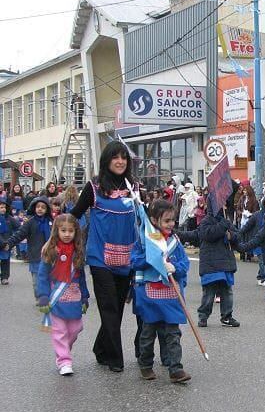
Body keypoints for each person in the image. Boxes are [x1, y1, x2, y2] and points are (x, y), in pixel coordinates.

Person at [69, 141, 138, 373]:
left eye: (124, 158)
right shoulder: (93, 187)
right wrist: (62, 239)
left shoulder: (134, 186)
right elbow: (74, 215)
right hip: (99, 257)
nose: (120, 161)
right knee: (108, 307)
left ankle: (101, 348)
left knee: (117, 308)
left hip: (126, 258)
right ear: (106, 160)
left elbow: (145, 220)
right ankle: (116, 359)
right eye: (115, 157)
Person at [131, 199, 191, 383]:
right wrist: (151, 259)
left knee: (173, 333)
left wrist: (175, 267)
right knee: (148, 333)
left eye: (172, 220)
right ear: (154, 221)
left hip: (171, 295)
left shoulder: (175, 241)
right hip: (150, 295)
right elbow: (134, 262)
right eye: (167, 221)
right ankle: (146, 364)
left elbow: (185, 263)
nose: (171, 224)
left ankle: (175, 369)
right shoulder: (144, 240)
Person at [36, 214, 89, 376]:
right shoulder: (50, 251)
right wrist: (43, 295)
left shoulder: (78, 251)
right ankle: (64, 360)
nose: (67, 234)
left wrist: (85, 296)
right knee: (60, 332)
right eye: (63, 230)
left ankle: (63, 349)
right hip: (56, 298)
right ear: (56, 231)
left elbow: (81, 277)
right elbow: (42, 275)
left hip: (74, 296)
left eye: (71, 231)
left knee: (75, 328)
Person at [178, 201, 241, 328]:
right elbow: (209, 235)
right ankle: (203, 316)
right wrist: (223, 225)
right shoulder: (207, 221)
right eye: (221, 205)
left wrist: (231, 236)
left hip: (225, 262)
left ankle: (227, 316)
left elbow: (238, 236)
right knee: (209, 293)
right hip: (210, 263)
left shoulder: (226, 220)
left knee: (227, 291)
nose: (224, 207)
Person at [5, 196, 52, 299]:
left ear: (47, 209)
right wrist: (9, 243)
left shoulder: (51, 222)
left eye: (43, 207)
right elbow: (19, 234)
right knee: (36, 281)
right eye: (38, 207)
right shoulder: (30, 222)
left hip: (49, 256)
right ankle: (39, 297)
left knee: (48, 279)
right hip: (35, 255)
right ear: (34, 208)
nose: (40, 209)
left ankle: (46, 297)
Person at [240, 195, 265, 287]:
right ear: (263, 204)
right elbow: (247, 226)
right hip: (258, 242)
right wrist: (237, 234)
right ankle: (263, 278)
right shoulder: (257, 215)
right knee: (262, 261)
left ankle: (261, 275)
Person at [0, 199, 20, 285]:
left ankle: (4, 277)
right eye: (1, 207)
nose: (3, 209)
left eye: (4, 207)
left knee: (5, 261)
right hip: (1, 242)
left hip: (6, 244)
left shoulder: (10, 218)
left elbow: (18, 228)